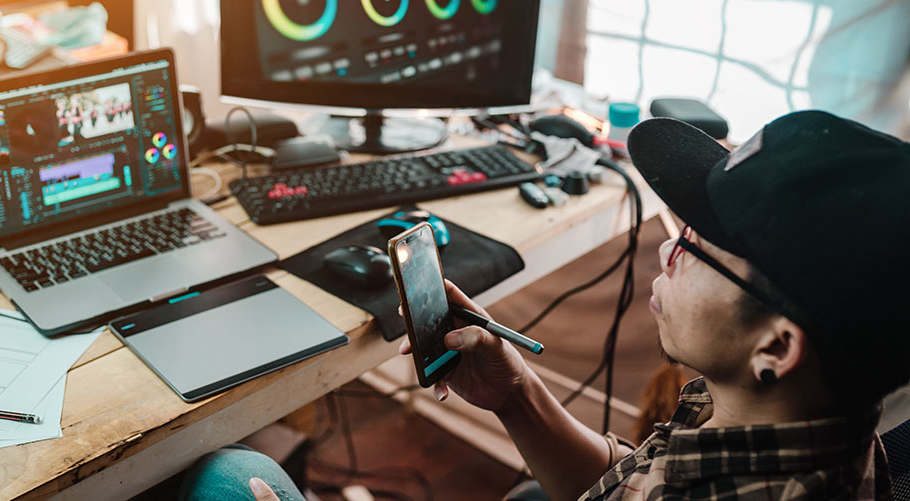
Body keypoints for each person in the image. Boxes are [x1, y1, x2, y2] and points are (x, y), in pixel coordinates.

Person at [183, 110, 910, 500]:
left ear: (777, 348)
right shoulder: (801, 428)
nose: (667, 248)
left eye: (699, 245)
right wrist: (518, 395)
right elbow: (636, 482)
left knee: (222, 474)